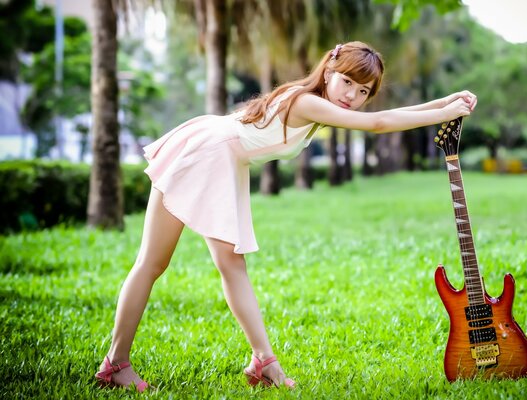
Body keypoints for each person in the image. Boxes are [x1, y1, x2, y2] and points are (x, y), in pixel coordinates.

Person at [94, 41, 477, 392]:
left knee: (230, 265)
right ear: (328, 71)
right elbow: (377, 124)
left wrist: (446, 101)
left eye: (363, 92)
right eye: (347, 82)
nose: (353, 96)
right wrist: (446, 112)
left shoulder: (318, 104)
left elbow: (386, 114)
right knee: (152, 263)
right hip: (209, 153)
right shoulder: (306, 102)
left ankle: (264, 361)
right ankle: (115, 364)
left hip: (222, 157)